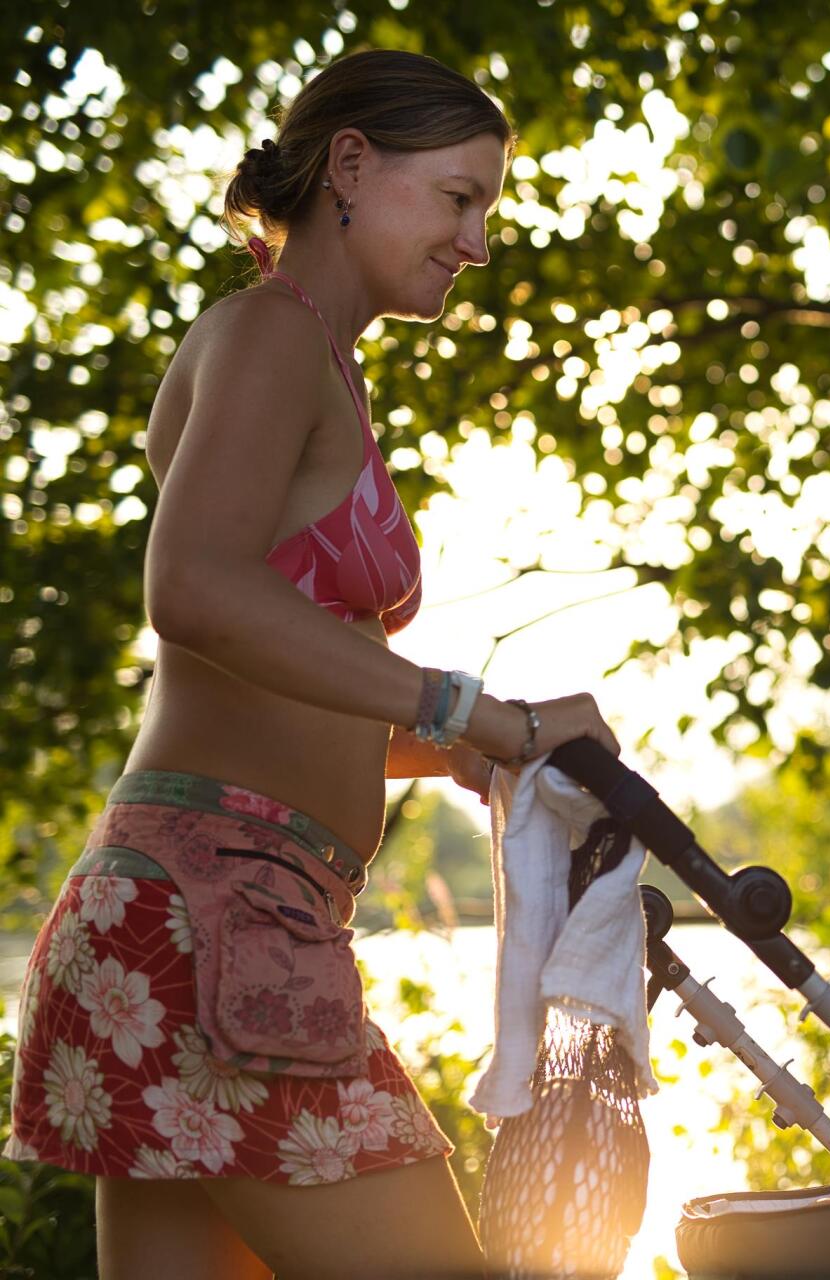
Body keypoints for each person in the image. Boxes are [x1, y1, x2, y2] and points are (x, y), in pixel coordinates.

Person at [4, 48, 620, 1279]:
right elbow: (192, 589)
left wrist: (454, 747)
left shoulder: (315, 357)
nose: (478, 240)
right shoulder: (270, 333)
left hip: (207, 918)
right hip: (211, 925)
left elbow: (275, 681)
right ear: (351, 165)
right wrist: (470, 709)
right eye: (459, 197)